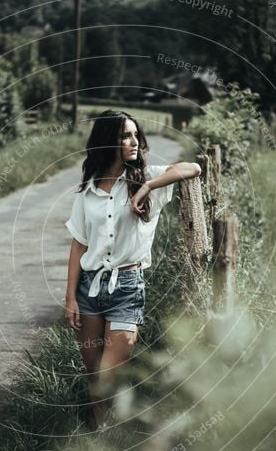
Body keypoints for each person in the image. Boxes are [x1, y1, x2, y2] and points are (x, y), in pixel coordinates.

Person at [64, 109, 201, 429]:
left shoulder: (149, 176)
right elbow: (79, 244)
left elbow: (193, 167)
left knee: (107, 375)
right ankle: (103, 433)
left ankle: (111, 428)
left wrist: (146, 188)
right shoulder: (88, 191)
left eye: (136, 135)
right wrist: (70, 297)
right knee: (92, 372)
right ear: (107, 141)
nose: (134, 141)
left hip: (128, 287)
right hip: (89, 289)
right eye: (126, 135)